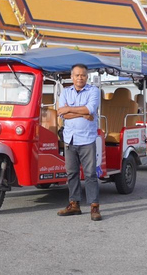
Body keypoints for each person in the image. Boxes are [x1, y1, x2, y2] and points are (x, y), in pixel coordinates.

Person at [56, 64, 102, 221]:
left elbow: (90, 109)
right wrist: (81, 112)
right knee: (71, 173)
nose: (80, 77)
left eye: (83, 75)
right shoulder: (65, 92)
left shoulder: (93, 91)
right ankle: (74, 204)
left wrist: (70, 109)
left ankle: (94, 207)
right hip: (70, 139)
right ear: (72, 77)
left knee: (90, 174)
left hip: (87, 139)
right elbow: (61, 113)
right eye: (77, 75)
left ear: (87, 77)